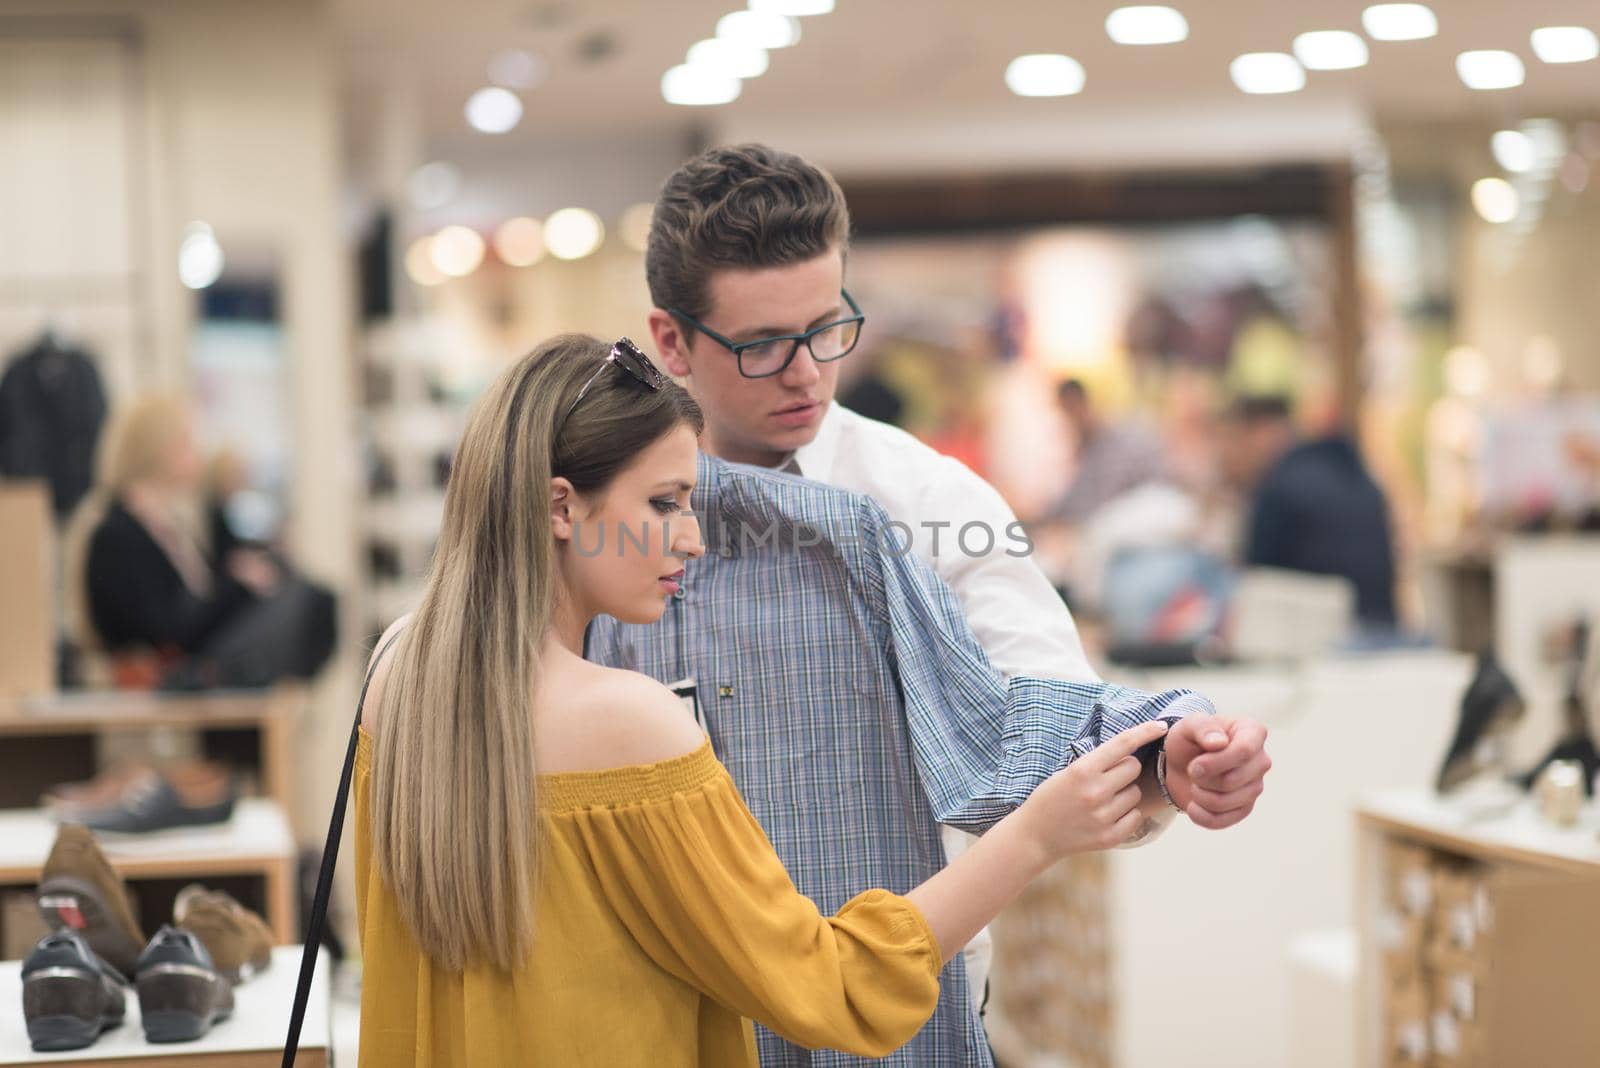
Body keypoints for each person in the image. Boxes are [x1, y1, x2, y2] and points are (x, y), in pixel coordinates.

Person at [590, 143, 1271, 1066]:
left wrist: (1163, 766)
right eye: (761, 346)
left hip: (893, 1014)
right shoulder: (600, 515)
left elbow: (1037, 717)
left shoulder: (922, 504)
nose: (805, 373)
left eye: (828, 329)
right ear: (670, 340)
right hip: (660, 1019)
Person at [353, 334, 1182, 1066]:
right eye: (664, 502)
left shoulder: (398, 676)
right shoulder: (627, 722)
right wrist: (1034, 836)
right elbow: (829, 986)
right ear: (561, 507)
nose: (694, 537)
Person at [74, 394, 335, 688]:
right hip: (172, 668)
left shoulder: (169, 525)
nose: (197, 451)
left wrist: (237, 582)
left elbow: (193, 611)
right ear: (159, 450)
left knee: (307, 595)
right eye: (186, 442)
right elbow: (167, 629)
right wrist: (237, 587)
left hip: (194, 655)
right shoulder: (118, 533)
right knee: (311, 601)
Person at [1222, 395, 1398, 627]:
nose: (1230, 456)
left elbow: (1258, 586)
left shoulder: (1280, 489)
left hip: (1331, 637)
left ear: (1260, 432)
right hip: (1383, 626)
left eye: (1234, 440)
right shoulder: (1349, 472)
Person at [1043, 378, 1168, 525]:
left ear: (1079, 404)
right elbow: (1072, 500)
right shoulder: (1088, 449)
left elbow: (1104, 501)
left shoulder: (1120, 442)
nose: (1067, 422)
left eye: (1068, 412)